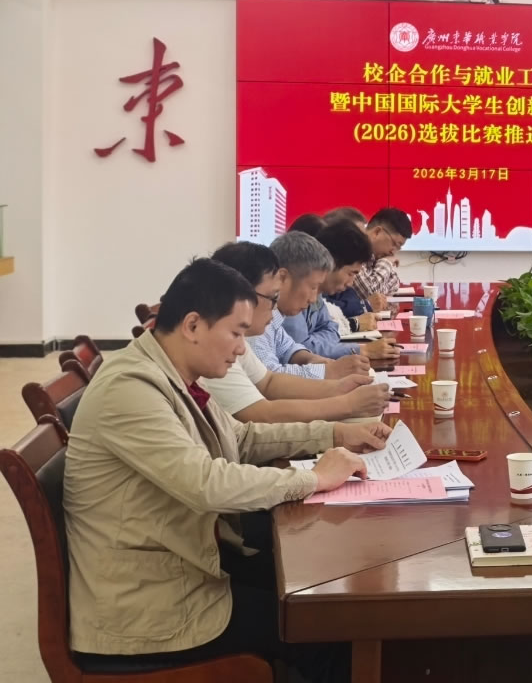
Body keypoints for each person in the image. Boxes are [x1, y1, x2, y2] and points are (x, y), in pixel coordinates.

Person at [64, 257, 389, 681]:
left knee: (323, 590)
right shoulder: (130, 389)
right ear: (193, 325)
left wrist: (334, 434)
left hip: (181, 563)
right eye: (236, 332)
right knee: (323, 629)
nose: (241, 347)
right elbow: (206, 483)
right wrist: (313, 478)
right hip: (147, 607)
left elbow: (242, 438)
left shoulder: (174, 373)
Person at [203, 241, 389, 423]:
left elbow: (269, 381)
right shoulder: (217, 346)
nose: (274, 307)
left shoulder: (238, 336)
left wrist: (339, 387)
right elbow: (260, 414)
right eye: (272, 297)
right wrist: (347, 404)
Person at [247, 232, 371, 380]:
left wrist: (317, 361)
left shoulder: (275, 315)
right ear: (283, 278)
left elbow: (289, 348)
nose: (313, 299)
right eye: (313, 287)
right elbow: (269, 379)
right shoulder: (256, 318)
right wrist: (328, 371)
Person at [282, 220, 399, 365]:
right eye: (350, 273)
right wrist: (361, 350)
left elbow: (331, 329)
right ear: (332, 263)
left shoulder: (316, 293)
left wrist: (313, 339)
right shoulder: (293, 293)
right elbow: (300, 350)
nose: (351, 283)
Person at [350, 207, 413, 312]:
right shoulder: (353, 248)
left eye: (398, 248)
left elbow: (394, 284)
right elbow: (371, 295)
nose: (393, 252)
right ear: (377, 232)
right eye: (395, 244)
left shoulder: (376, 256)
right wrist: (386, 263)